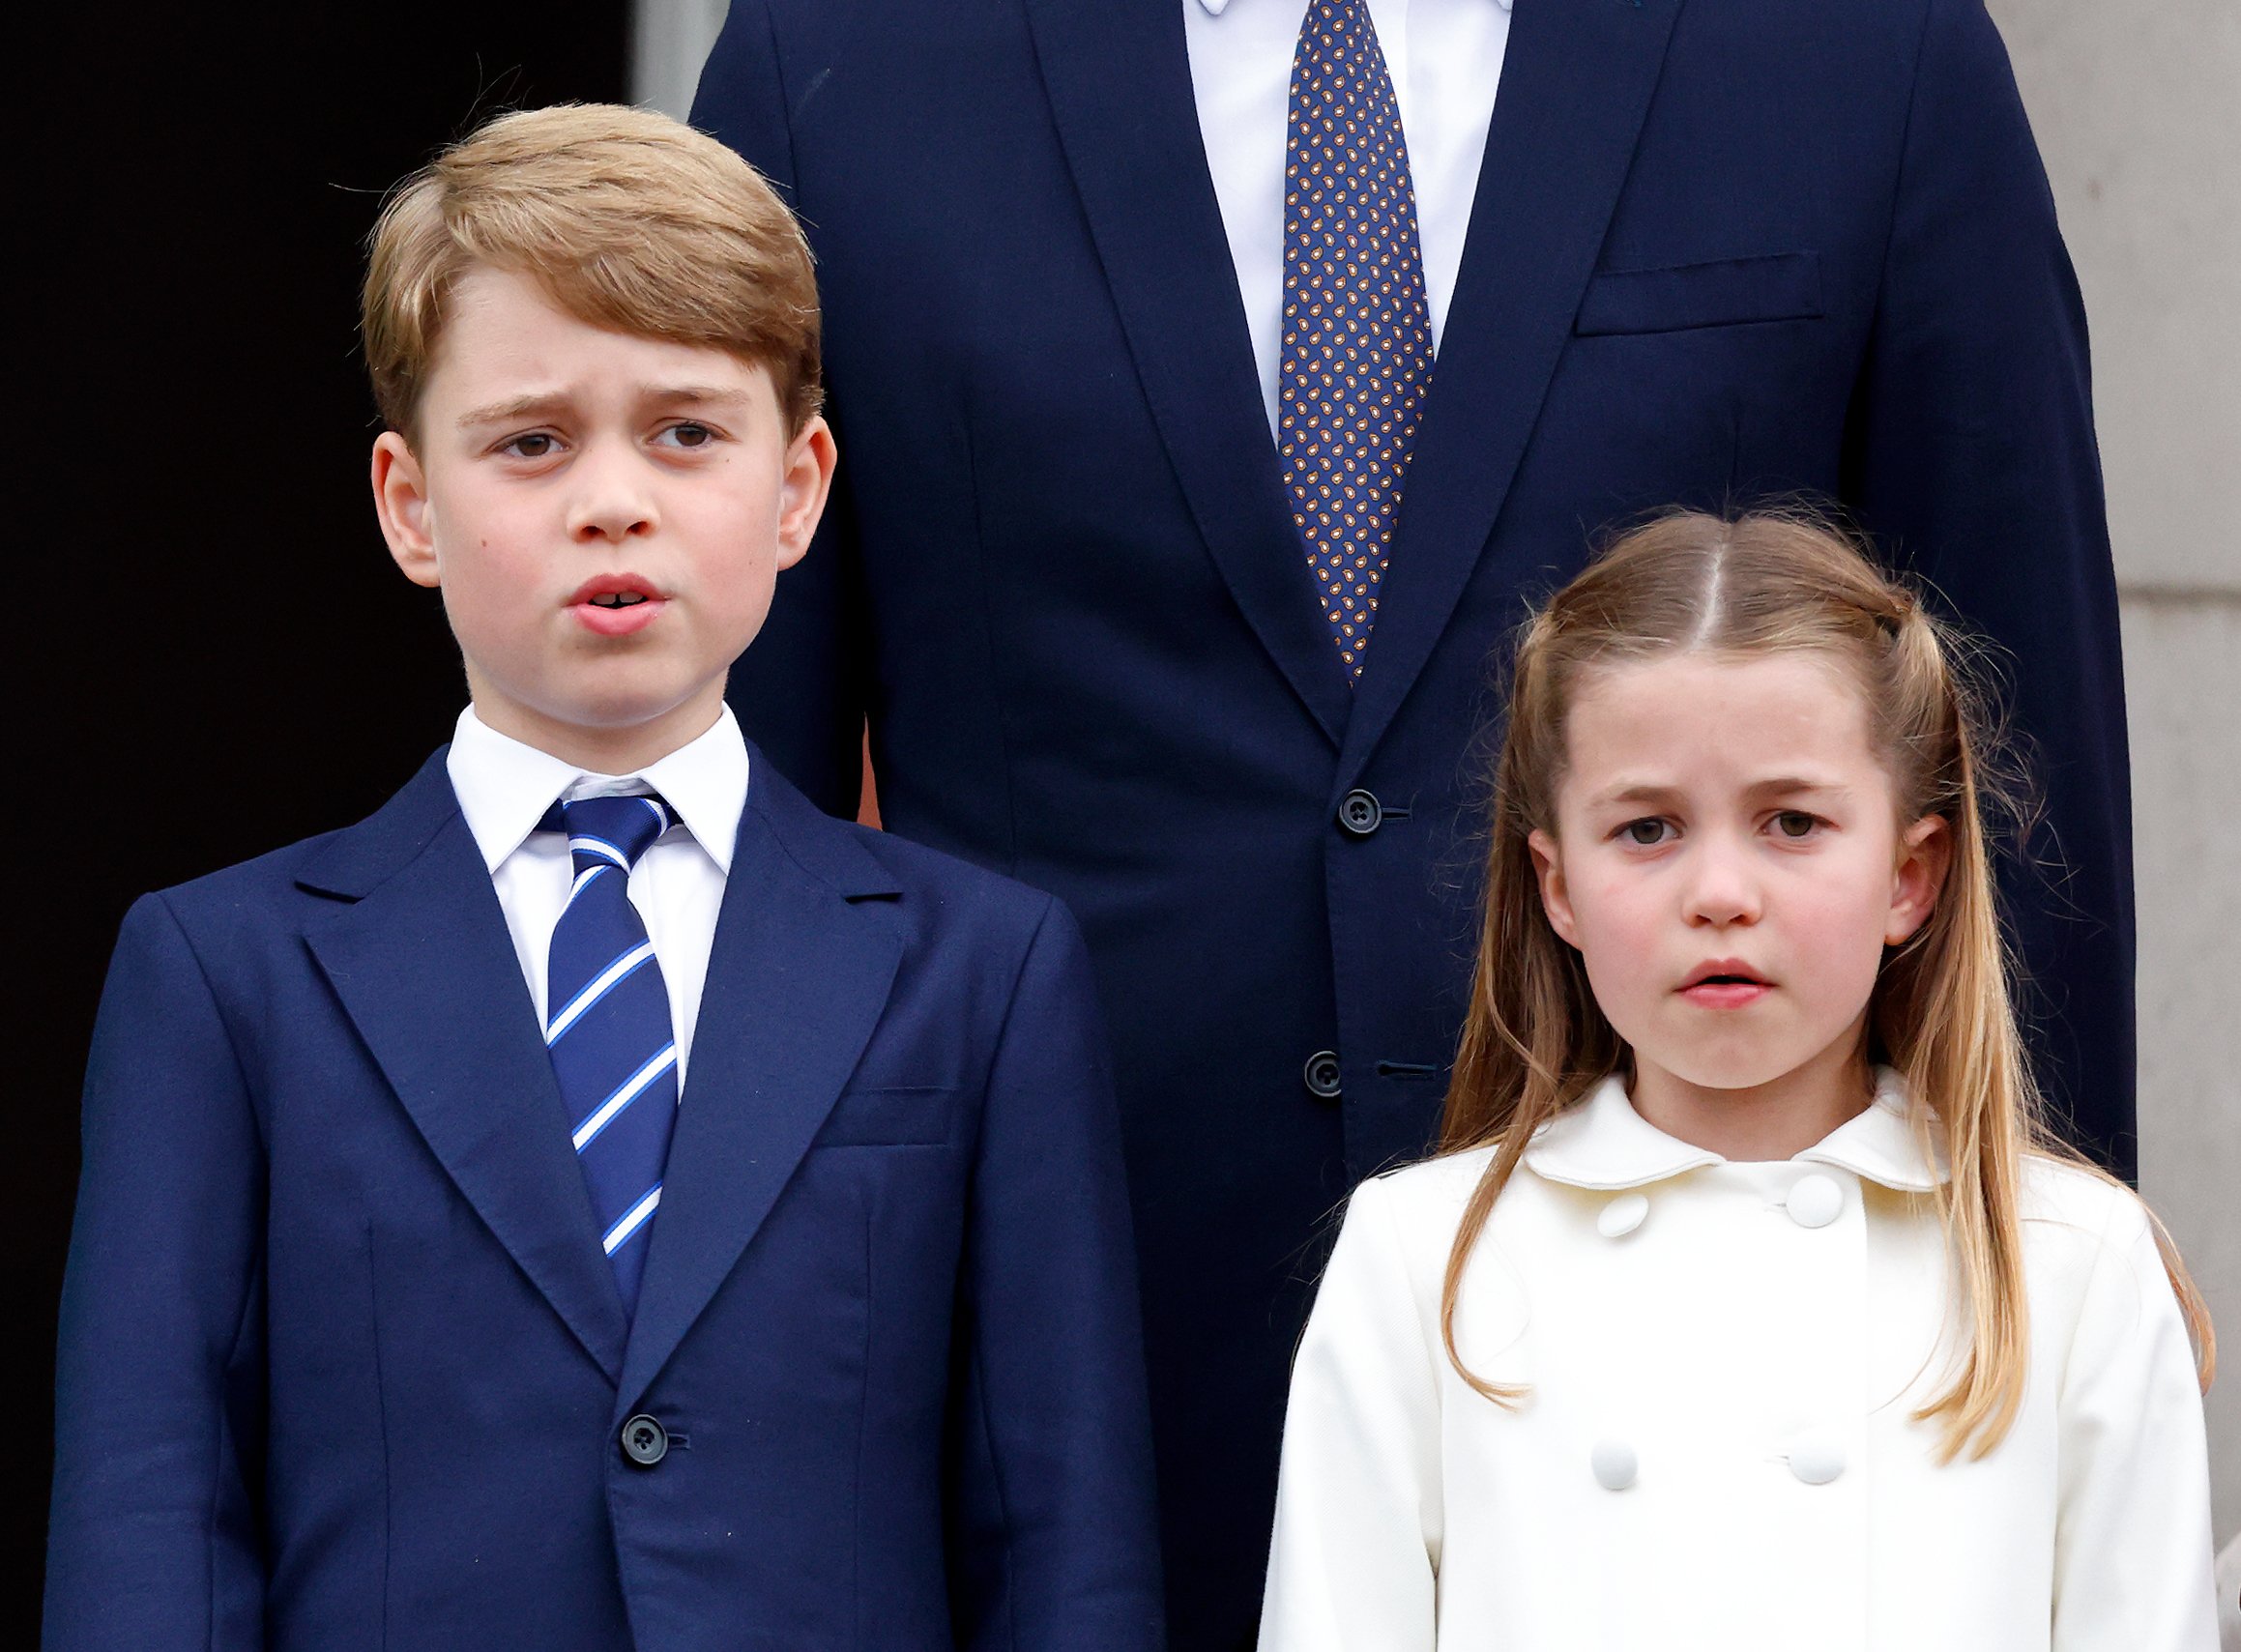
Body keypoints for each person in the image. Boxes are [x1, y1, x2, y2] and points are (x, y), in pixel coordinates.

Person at [689, 3, 2134, 1639]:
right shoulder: (847, 54)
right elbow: (752, 834)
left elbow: (2010, 769)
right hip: (1050, 1391)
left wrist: (2053, 1337)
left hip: (1716, 1426)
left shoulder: (1856, 47)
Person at [43, 103, 1163, 1652]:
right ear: (408, 503)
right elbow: (149, 1522)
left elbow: (1060, 1545)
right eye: (529, 440)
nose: (613, 498)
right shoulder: (222, 975)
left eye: (687, 430)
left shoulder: (980, 971)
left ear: (798, 486)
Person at [1256, 510, 2215, 1649]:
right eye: (1647, 826)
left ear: (1909, 874)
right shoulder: (1420, 1257)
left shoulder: (2071, 1262)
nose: (1718, 890)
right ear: (1555, 885)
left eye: (1791, 821)